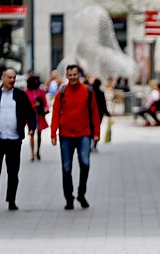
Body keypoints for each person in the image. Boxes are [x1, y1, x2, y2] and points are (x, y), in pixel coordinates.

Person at [0, 69, 37, 211]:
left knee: (13, 172)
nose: (12, 80)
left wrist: (32, 127)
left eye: (14, 77)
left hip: (14, 140)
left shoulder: (20, 95)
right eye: (9, 77)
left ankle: (11, 200)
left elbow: (30, 113)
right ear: (2, 78)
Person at [51, 64, 100, 210]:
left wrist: (96, 132)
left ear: (79, 75)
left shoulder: (87, 91)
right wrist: (53, 133)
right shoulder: (62, 91)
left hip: (83, 134)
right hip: (65, 135)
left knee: (85, 163)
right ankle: (69, 198)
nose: (72, 77)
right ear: (66, 76)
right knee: (66, 167)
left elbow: (95, 112)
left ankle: (81, 193)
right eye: (70, 75)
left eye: (75, 75)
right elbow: (55, 113)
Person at [25, 76, 49, 161]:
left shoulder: (41, 91)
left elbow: (45, 102)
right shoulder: (26, 92)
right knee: (31, 133)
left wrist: (46, 108)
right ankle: (32, 153)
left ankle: (38, 151)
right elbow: (25, 104)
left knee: (39, 133)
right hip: (30, 115)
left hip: (39, 115)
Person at [91, 78, 111, 152]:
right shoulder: (100, 93)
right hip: (99, 114)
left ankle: (89, 145)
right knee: (97, 129)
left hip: (91, 114)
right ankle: (94, 145)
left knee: (90, 129)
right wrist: (107, 113)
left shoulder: (90, 92)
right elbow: (103, 105)